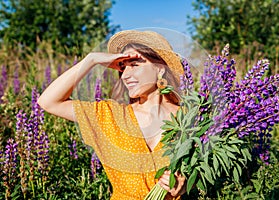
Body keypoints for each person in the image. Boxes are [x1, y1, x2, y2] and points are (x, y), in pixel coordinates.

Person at [38, 30, 187, 200]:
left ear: (160, 68)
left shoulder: (189, 119)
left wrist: (184, 185)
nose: (126, 75)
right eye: (122, 67)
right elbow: (48, 102)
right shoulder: (109, 116)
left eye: (135, 65)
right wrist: (91, 60)